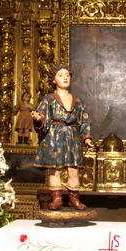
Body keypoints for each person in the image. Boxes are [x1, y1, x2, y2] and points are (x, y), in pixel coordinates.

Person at [32, 64, 94, 210]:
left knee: (73, 169)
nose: (65, 77)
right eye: (61, 75)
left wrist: (87, 138)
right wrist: (39, 119)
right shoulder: (48, 99)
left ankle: (74, 198)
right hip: (54, 137)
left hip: (72, 136)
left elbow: (84, 120)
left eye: (67, 75)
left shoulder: (77, 100)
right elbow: (42, 117)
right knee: (55, 169)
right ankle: (57, 198)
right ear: (54, 80)